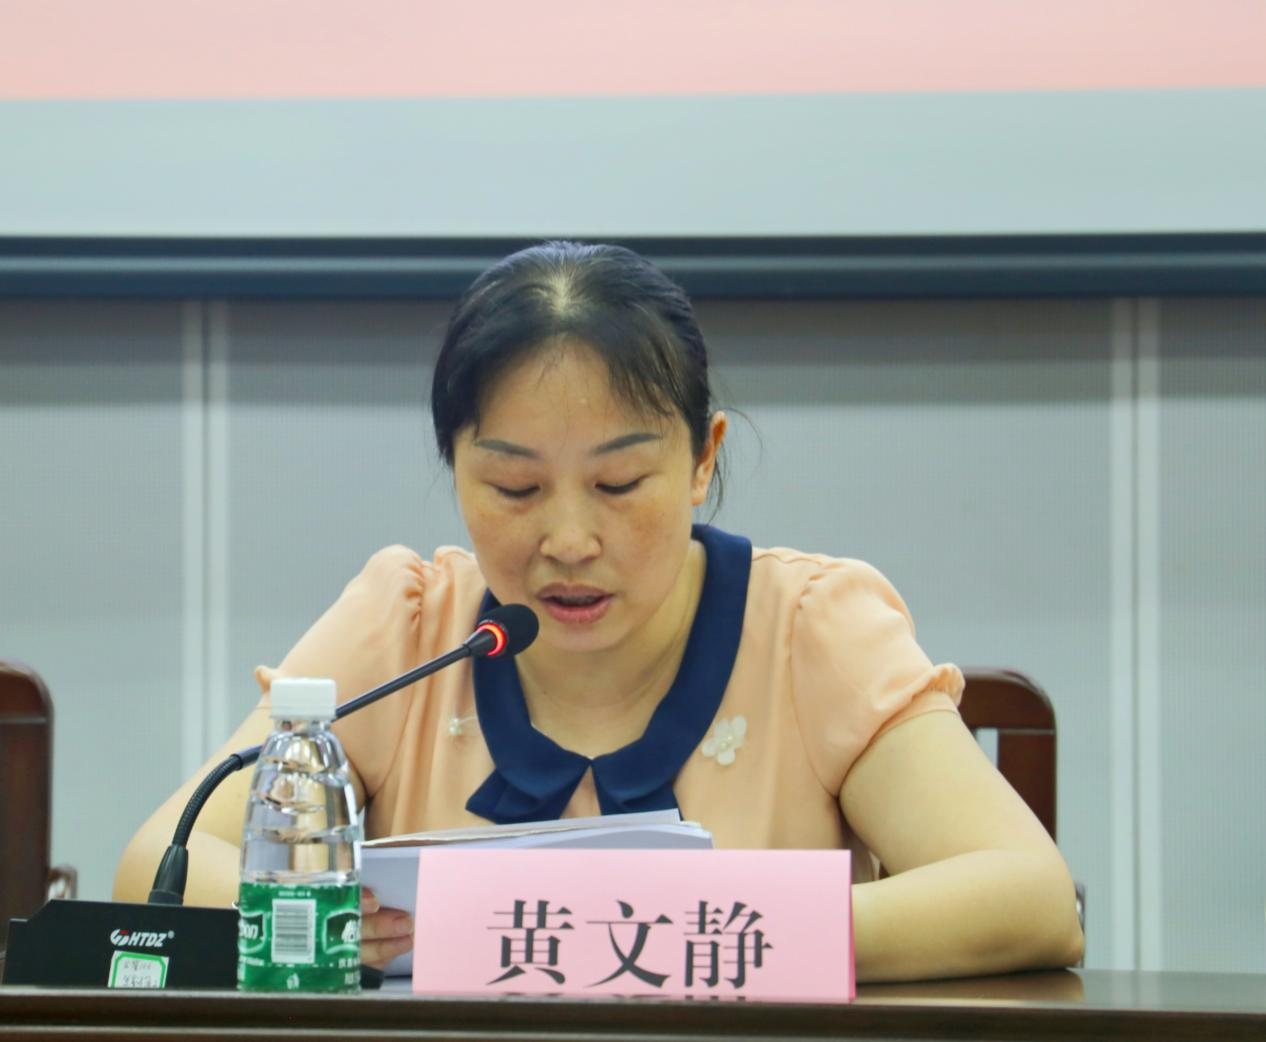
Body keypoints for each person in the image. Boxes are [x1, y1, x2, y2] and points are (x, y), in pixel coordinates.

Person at [116, 241, 1084, 980]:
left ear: (703, 459)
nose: (570, 539)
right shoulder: (407, 626)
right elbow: (158, 868)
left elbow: (1031, 896)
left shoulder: (806, 628)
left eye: (619, 484)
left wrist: (685, 931)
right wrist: (339, 925)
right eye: (515, 488)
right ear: (456, 469)